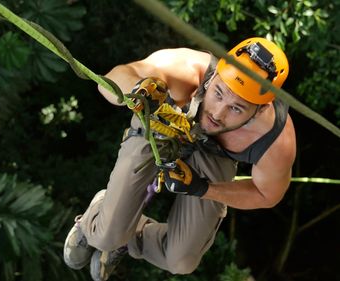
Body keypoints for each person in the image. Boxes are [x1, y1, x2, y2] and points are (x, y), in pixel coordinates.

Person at [63, 37, 296, 280]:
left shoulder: (275, 141)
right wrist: (137, 91)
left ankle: (130, 235)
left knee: (180, 261)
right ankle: (97, 219)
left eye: (236, 108)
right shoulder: (187, 68)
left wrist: (203, 189)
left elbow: (267, 194)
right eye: (218, 93)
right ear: (215, 74)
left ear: (260, 109)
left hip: (215, 156)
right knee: (106, 236)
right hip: (164, 125)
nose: (218, 113)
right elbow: (112, 80)